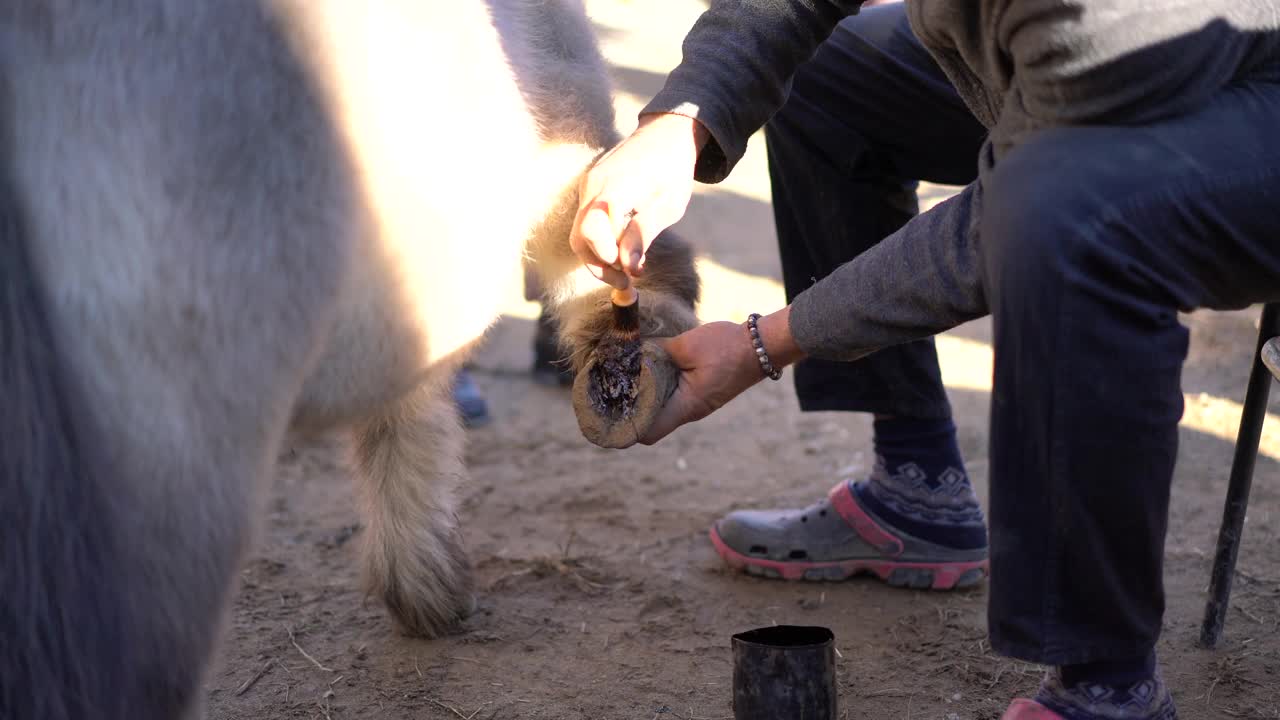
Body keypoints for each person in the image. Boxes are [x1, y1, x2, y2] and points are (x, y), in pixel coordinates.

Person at [567, 2, 1280, 719]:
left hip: (1236, 101)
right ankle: (918, 486)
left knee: (1069, 216)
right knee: (826, 75)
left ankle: (1108, 686)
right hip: (1065, 83)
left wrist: (767, 341)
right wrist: (682, 120)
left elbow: (1000, 223)